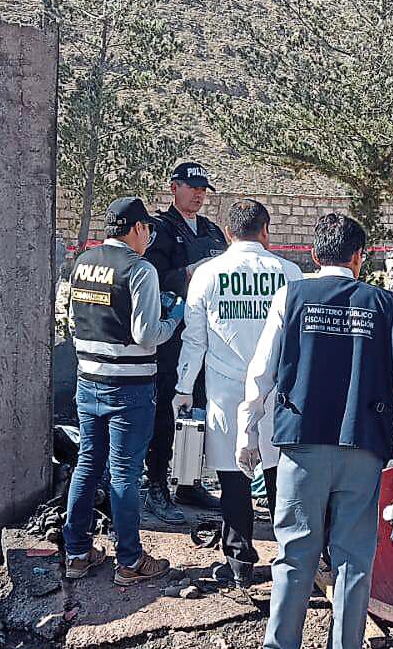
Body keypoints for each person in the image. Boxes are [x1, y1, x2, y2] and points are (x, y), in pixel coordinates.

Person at [237, 214, 393, 649]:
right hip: (363, 448)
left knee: (294, 557)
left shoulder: (291, 297)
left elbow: (262, 372)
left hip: (302, 446)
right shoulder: (383, 306)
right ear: (359, 259)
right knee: (353, 563)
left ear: (314, 255)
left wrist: (247, 427)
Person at [173, 199, 303, 586]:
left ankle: (239, 562)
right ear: (266, 231)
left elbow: (194, 340)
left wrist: (183, 388)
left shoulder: (209, 274)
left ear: (228, 234)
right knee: (281, 477)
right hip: (279, 393)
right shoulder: (290, 272)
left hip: (226, 393)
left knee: (233, 480)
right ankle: (291, 559)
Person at [62, 197, 182, 586]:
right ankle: (129, 561)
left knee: (88, 464)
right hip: (128, 387)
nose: (148, 236)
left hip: (88, 381)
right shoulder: (140, 270)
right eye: (147, 229)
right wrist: (174, 317)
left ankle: (77, 553)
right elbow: (147, 336)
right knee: (124, 474)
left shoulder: (84, 263)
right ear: (137, 228)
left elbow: (74, 320)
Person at [142, 161, 229, 523]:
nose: (198, 194)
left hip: (208, 334)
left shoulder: (210, 230)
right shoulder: (160, 230)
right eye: (191, 187)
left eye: (202, 189)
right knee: (166, 410)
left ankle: (189, 481)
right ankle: (157, 485)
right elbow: (152, 278)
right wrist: (190, 273)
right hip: (173, 337)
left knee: (197, 411)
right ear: (173, 187)